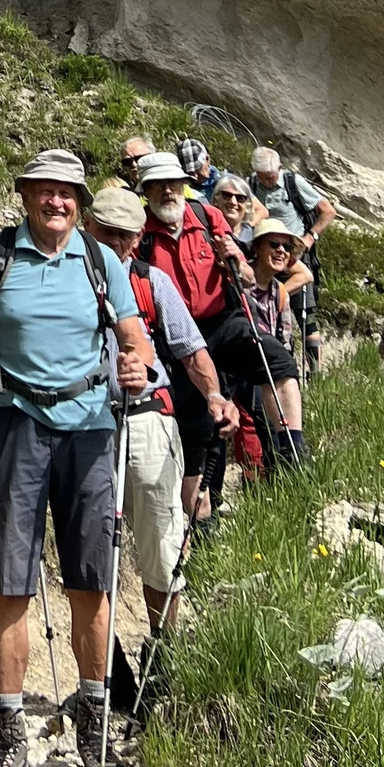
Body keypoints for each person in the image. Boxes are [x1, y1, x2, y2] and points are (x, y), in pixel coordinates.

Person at [0, 151, 153, 767]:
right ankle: (8, 735)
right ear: (25, 195)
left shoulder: (100, 260)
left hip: (89, 427)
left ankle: (92, 724)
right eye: (45, 191)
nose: (56, 202)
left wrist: (137, 362)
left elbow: (133, 335)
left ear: (79, 202)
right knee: (11, 580)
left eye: (67, 193)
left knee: (91, 580)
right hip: (16, 422)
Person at [84, 185, 240, 629]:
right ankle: (104, 662)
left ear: (138, 239)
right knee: (91, 546)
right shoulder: (62, 281)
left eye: (125, 236)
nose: (115, 244)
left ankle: (163, 651)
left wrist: (214, 396)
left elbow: (192, 350)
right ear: (87, 228)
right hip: (80, 422)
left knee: (160, 541)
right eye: (105, 233)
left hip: (146, 415)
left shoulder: (152, 281)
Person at [130, 151, 249, 527]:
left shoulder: (204, 215)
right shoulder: (139, 229)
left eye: (174, 183)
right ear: (145, 190)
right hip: (168, 345)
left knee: (210, 423)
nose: (169, 190)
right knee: (192, 425)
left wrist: (236, 257)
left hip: (215, 328)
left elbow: (242, 273)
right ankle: (187, 516)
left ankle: (203, 514)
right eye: (159, 185)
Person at [230, 217, 309, 468]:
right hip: (237, 369)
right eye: (274, 244)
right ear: (257, 248)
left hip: (265, 372)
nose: (281, 251)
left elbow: (283, 343)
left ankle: (286, 465)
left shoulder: (279, 292)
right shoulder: (238, 281)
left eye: (286, 248)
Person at [250, 146, 334, 366]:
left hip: (294, 253)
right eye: (262, 177)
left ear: (280, 167)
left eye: (271, 176)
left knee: (306, 316)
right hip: (265, 253)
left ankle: (315, 373)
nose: (267, 181)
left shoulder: (293, 183)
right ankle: (281, 362)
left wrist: (309, 238)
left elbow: (328, 210)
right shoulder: (250, 184)